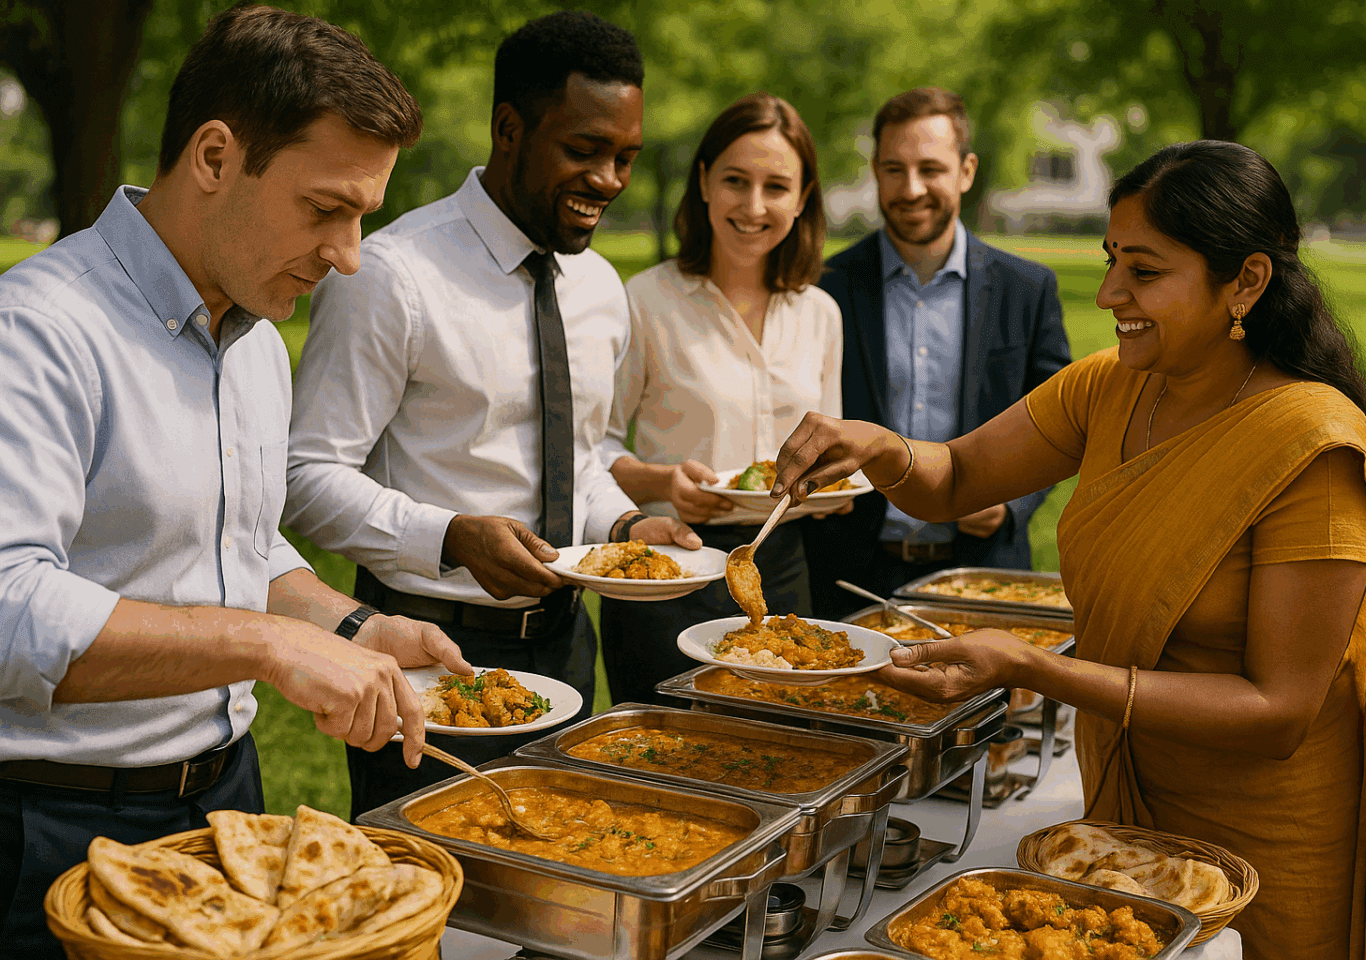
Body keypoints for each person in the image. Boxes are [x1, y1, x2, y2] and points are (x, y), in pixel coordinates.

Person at [771, 140, 1366, 957]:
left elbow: (1278, 712)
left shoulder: (1313, 447)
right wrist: (881, 448)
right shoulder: (1109, 385)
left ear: (1248, 282)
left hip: (1271, 843)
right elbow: (956, 478)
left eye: (1145, 272)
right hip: (1125, 821)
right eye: (1111, 259)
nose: (1109, 292)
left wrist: (1035, 668)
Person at [0, 6, 469, 957]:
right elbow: (11, 613)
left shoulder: (256, 339)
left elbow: (234, 549)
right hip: (45, 829)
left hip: (228, 808)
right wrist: (265, 647)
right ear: (215, 157)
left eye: (362, 217)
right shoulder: (37, 332)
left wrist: (350, 628)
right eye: (324, 208)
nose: (347, 255)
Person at [284, 10, 699, 820]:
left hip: (566, 646)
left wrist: (623, 530)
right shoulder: (392, 275)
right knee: (435, 908)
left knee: (559, 889)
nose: (610, 180)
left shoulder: (600, 289)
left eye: (625, 158)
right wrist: (448, 538)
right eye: (584, 151)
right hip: (427, 654)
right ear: (509, 129)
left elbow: (576, 456)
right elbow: (303, 477)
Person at [598, 93, 841, 706]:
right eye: (736, 180)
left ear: (803, 197)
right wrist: (661, 478)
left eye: (777, 187)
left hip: (782, 564)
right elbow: (590, 446)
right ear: (703, 180)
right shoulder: (645, 300)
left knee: (780, 751)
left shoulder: (820, 313)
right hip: (668, 568)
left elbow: (831, 449)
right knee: (663, 756)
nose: (754, 206)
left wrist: (833, 484)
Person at [803, 87, 1070, 620]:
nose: (912, 188)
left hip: (982, 573)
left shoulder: (1028, 288)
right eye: (894, 169)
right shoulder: (823, 287)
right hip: (850, 573)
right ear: (875, 173)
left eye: (931, 168)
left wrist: (1009, 500)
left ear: (966, 171)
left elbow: (1061, 423)